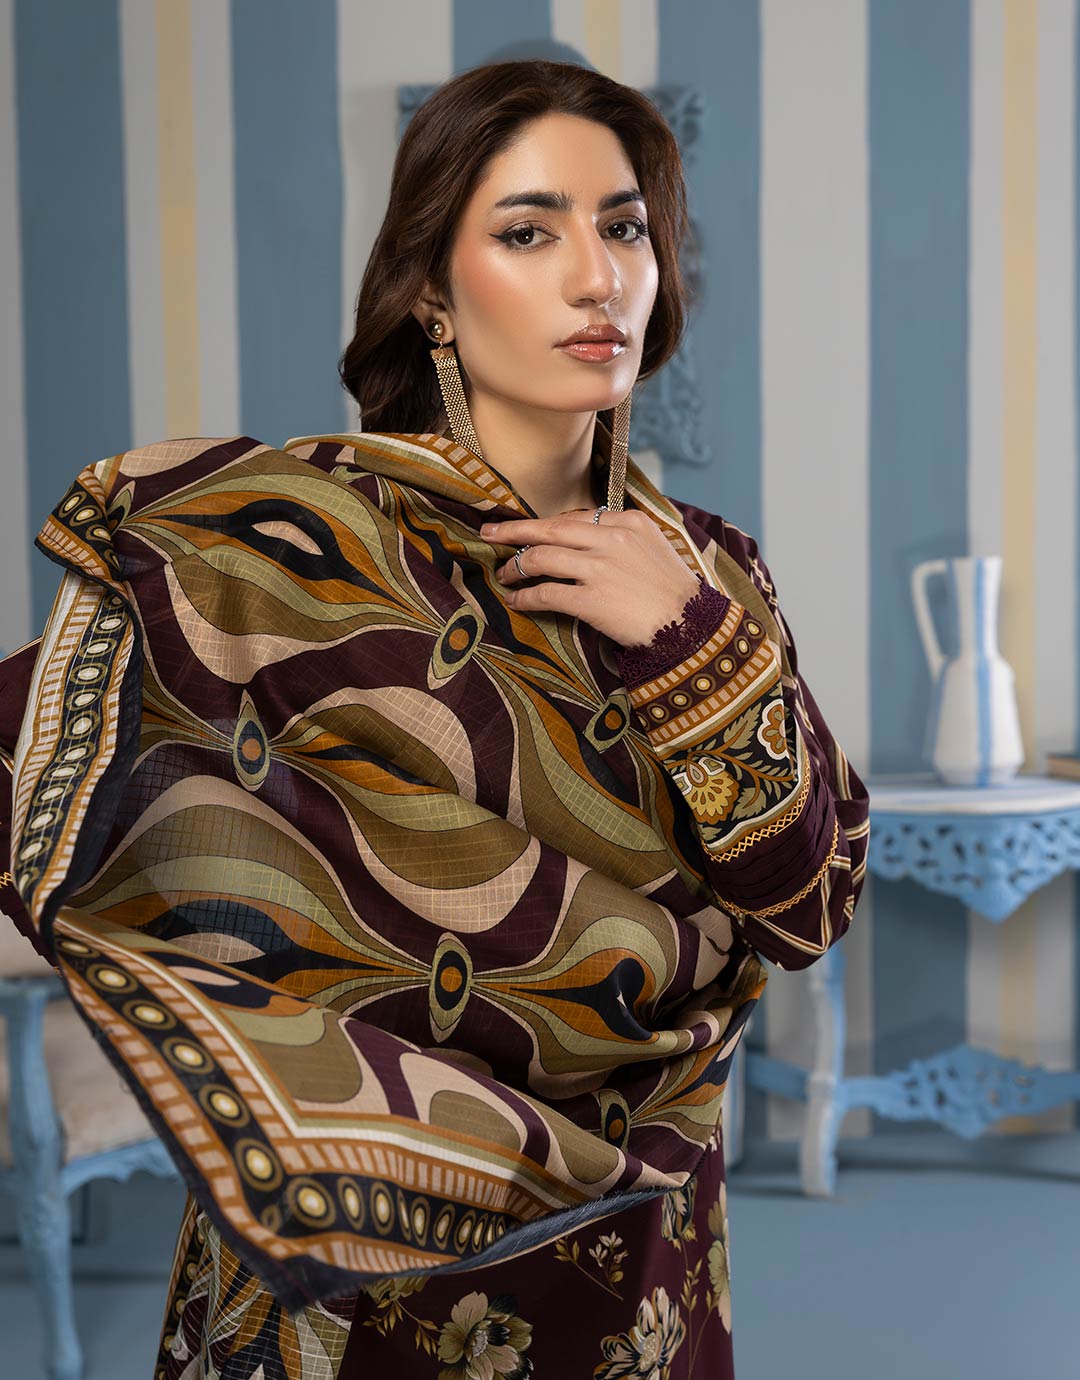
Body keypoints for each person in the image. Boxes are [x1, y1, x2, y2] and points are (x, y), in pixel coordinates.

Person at [0, 59, 869, 1380]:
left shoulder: (710, 570)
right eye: (529, 232)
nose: (598, 276)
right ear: (431, 296)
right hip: (347, 1253)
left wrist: (688, 643)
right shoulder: (300, 550)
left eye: (624, 227)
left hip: (638, 1248)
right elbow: (50, 764)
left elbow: (808, 903)